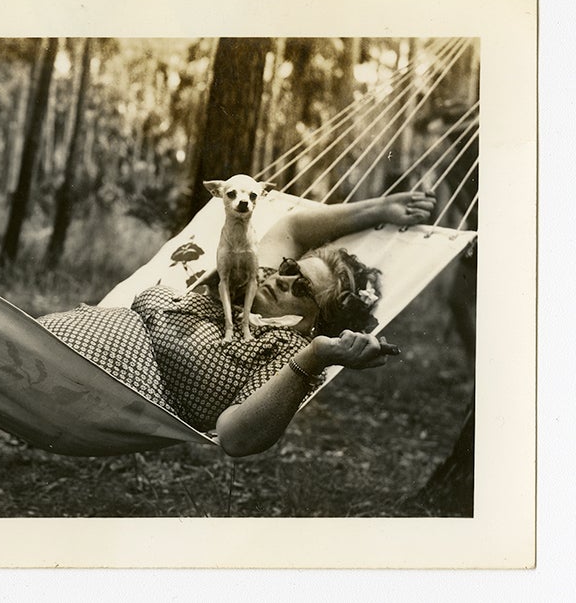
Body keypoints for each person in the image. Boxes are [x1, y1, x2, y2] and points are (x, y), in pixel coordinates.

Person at [38, 190, 437, 457]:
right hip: (35, 341)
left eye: (301, 288)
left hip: (69, 394)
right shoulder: (250, 284)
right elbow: (293, 228)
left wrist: (314, 358)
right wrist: (378, 210)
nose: (281, 278)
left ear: (314, 326)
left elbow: (236, 437)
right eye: (290, 267)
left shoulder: (287, 352)